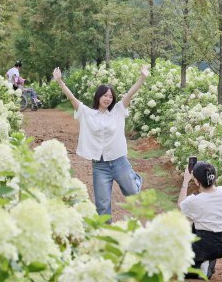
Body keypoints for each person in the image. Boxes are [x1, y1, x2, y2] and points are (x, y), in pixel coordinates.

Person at [52, 64, 150, 216]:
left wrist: (142, 78)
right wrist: (60, 81)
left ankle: (135, 179)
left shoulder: (117, 111)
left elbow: (129, 95)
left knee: (132, 192)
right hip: (100, 166)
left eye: (111, 96)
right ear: (98, 96)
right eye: (105, 95)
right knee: (102, 205)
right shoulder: (87, 113)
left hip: (119, 161)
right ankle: (105, 234)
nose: (108, 99)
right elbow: (71, 98)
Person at [178, 160, 222, 280]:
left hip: (206, 246)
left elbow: (180, 204)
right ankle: (205, 262)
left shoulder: (194, 201)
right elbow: (212, 190)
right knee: (196, 223)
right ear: (214, 178)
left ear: (196, 181)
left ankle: (203, 264)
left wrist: (186, 180)